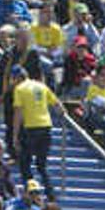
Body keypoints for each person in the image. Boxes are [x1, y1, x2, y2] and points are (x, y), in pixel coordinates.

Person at [10, 66, 65, 198]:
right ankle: (50, 193)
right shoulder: (41, 86)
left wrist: (15, 135)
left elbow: (18, 113)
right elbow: (58, 104)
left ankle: (30, 192)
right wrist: (62, 112)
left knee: (25, 163)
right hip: (46, 126)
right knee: (41, 165)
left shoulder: (20, 89)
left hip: (31, 128)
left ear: (17, 78)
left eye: (13, 79)